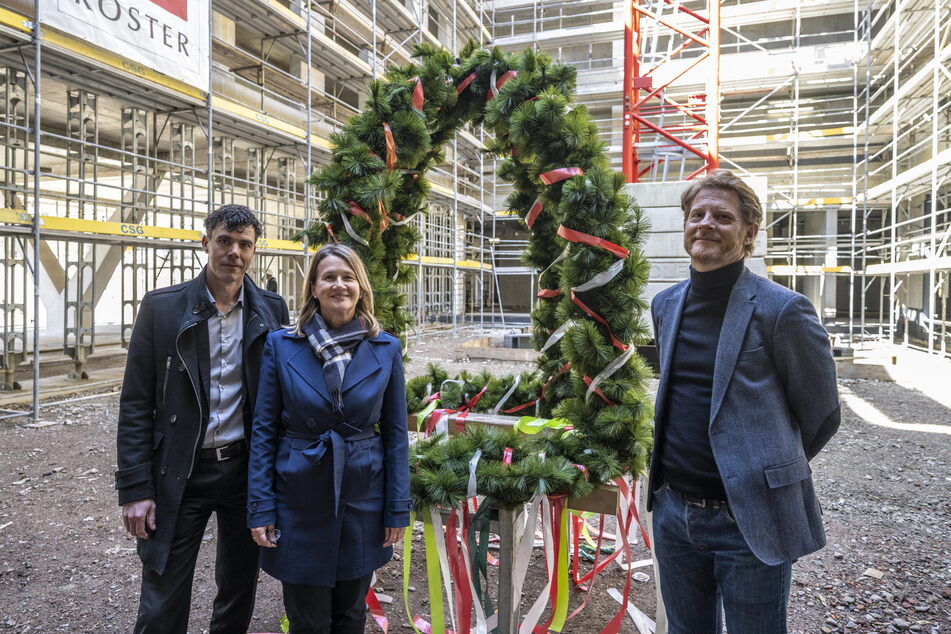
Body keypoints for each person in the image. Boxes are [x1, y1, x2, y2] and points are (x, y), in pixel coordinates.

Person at [647, 169, 840, 633]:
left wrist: (762, 470)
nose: (706, 224)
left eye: (722, 216)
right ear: (685, 224)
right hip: (673, 512)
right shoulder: (665, 304)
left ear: (748, 232)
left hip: (747, 518)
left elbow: (822, 413)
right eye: (697, 214)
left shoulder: (783, 309)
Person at [115, 204, 289, 633]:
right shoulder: (162, 309)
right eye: (225, 241)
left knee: (238, 589)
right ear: (205, 242)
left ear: (254, 251)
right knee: (162, 596)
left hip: (245, 472)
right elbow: (136, 401)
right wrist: (135, 488)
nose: (234, 252)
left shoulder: (271, 311)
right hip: (181, 470)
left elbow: (281, 401)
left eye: (244, 244)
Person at [247, 243, 411, 634]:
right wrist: (260, 507)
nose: (339, 284)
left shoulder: (385, 348)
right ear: (314, 289)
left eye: (347, 276)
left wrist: (396, 508)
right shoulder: (282, 345)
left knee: (351, 614)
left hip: (363, 496)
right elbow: (264, 429)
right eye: (329, 277)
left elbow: (395, 434)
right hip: (298, 496)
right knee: (308, 618)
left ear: (361, 286)